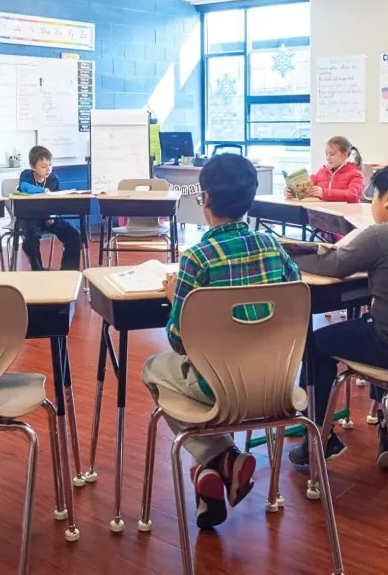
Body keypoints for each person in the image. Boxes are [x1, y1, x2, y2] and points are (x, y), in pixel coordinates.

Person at [141, 153, 301, 531]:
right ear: (250, 199)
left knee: (153, 368)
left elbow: (179, 341)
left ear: (205, 198)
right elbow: (296, 289)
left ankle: (220, 455)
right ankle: (214, 468)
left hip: (217, 385)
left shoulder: (197, 258)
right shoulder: (273, 247)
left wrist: (174, 297)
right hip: (274, 381)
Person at [289, 164, 388, 470]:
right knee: (373, 324)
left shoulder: (380, 235)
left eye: (372, 196)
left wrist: (292, 252)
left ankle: (318, 439)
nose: (371, 203)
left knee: (315, 344)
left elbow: (335, 265)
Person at [17, 145, 82, 271]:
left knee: (74, 234)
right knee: (31, 238)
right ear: (32, 166)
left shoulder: (53, 179)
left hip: (48, 218)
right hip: (29, 218)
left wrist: (53, 215)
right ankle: (38, 270)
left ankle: (68, 271)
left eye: (50, 165)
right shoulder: (26, 175)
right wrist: (43, 191)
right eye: (43, 166)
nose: (48, 169)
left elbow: (56, 201)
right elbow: (25, 187)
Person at [288, 136, 365, 203]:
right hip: (323, 213)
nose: (328, 158)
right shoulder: (322, 172)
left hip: (345, 214)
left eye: (332, 154)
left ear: (345, 154)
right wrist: (291, 191)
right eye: (326, 154)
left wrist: (324, 193)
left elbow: (353, 195)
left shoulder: (356, 174)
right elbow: (306, 186)